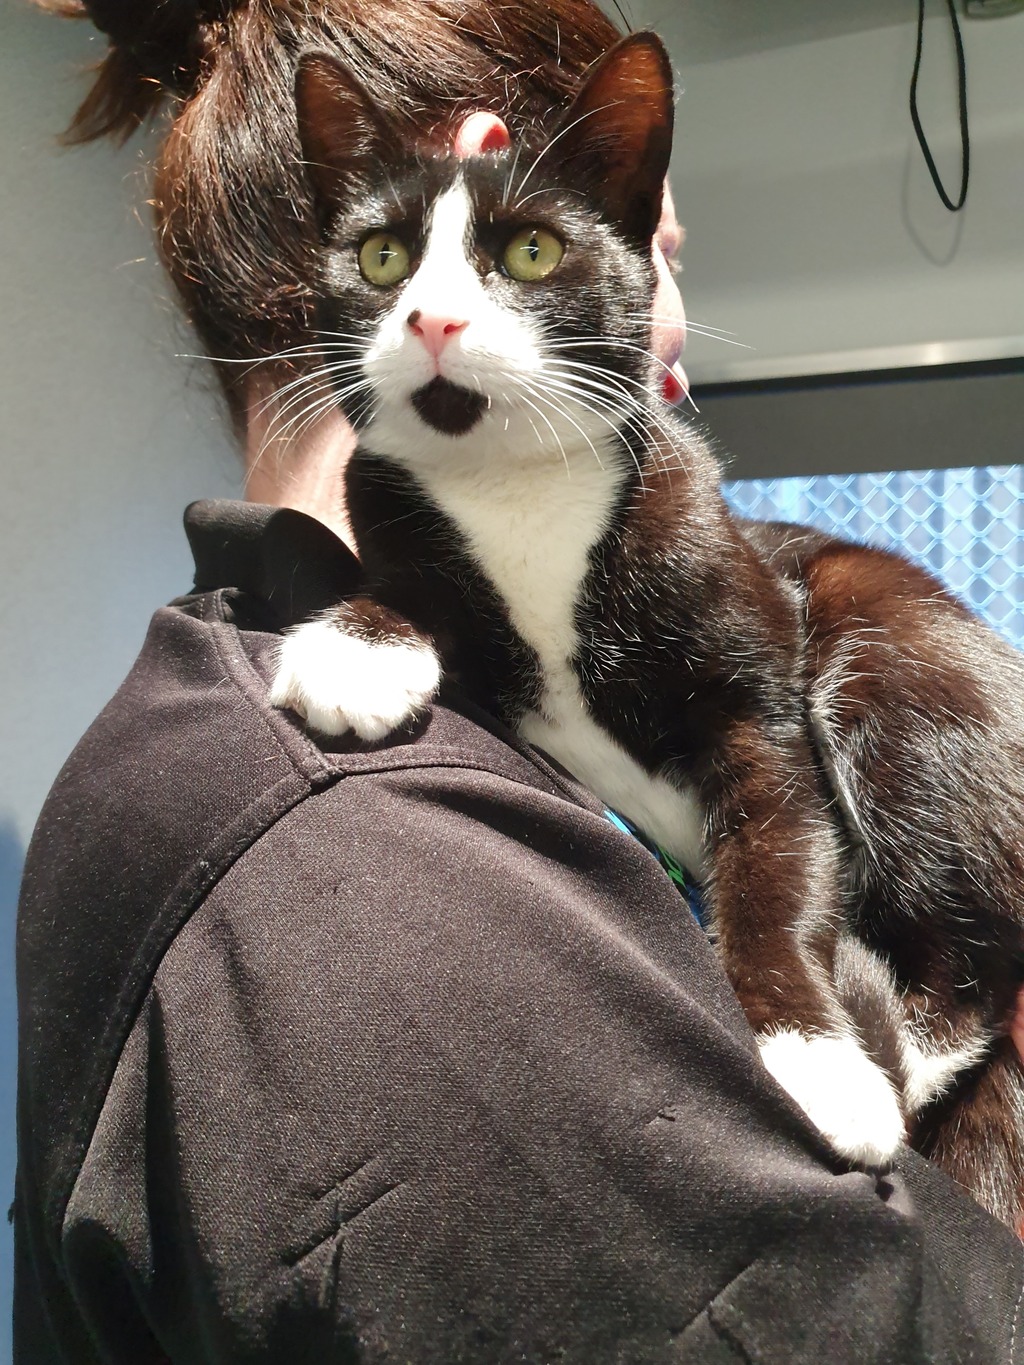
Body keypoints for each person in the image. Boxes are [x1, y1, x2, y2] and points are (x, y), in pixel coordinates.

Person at [15, 3, 1024, 1362]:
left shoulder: (162, 736)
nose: (670, 323)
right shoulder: (363, 856)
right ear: (482, 164)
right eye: (665, 253)